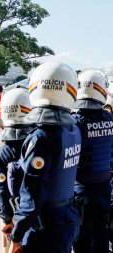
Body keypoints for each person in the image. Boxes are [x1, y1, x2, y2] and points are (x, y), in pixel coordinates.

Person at [9, 62, 81, 253]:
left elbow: (32, 193)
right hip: (67, 216)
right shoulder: (73, 130)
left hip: (45, 226)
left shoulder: (42, 137)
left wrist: (17, 234)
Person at [72, 69, 113, 253]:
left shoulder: (74, 123)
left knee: (82, 241)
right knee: (102, 237)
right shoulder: (110, 120)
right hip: (105, 189)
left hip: (81, 191)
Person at [0, 84, 32, 253]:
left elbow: (1, 187)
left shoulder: (5, 151)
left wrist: (5, 217)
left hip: (14, 212)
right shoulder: (37, 142)